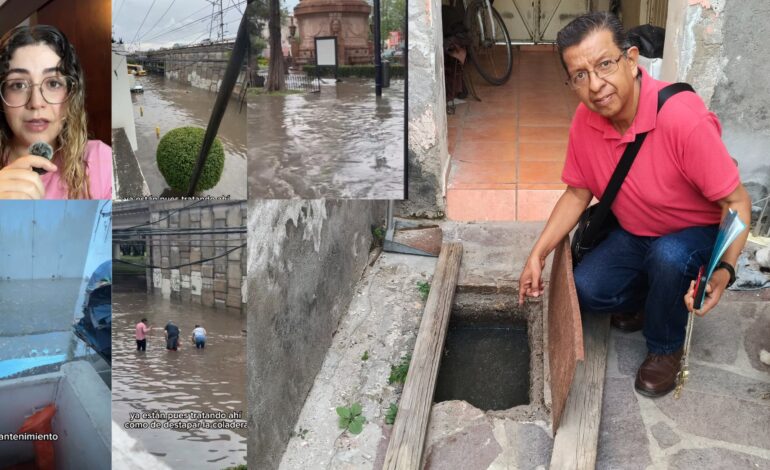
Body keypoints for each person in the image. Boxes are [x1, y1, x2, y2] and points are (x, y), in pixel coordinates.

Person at [517, 12, 751, 398]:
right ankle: (658, 297)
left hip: (694, 234)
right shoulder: (585, 120)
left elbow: (737, 201)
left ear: (630, 59)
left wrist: (724, 268)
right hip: (637, 231)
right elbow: (578, 193)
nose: (595, 85)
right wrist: (537, 254)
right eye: (580, 75)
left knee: (670, 257)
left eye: (604, 64)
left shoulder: (682, 118)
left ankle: (665, 346)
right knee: (587, 289)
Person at [0, 25, 111, 199]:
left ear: (71, 93)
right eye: (18, 85)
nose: (36, 103)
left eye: (53, 83)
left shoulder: (100, 162)